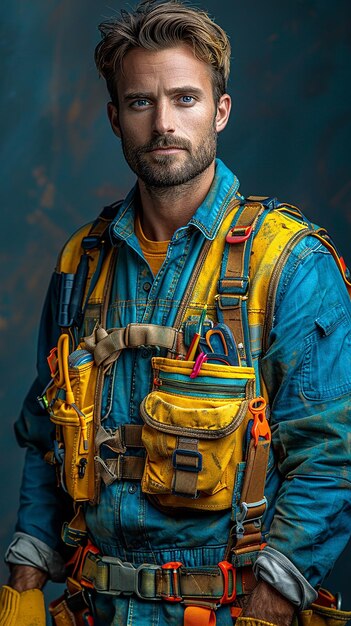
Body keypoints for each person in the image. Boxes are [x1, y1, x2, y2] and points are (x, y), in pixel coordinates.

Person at [1, 1, 351, 625]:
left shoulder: (291, 264)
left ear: (220, 110)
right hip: (92, 608)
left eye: (185, 99)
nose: (163, 122)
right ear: (115, 118)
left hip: (228, 609)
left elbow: (331, 456)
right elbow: (44, 437)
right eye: (140, 102)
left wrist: (268, 609)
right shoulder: (80, 261)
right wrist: (26, 577)